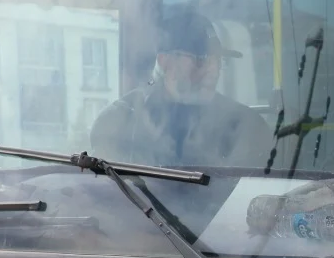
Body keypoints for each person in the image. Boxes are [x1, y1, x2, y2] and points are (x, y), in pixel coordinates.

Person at [90, 11, 274, 168]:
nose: (214, 70)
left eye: (218, 60)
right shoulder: (119, 123)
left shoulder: (245, 126)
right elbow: (113, 195)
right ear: (164, 60)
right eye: (201, 59)